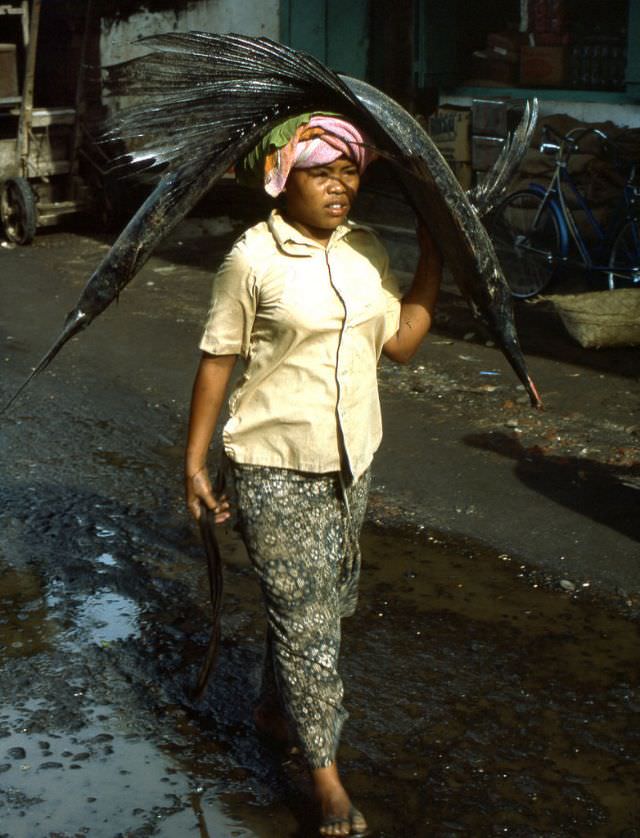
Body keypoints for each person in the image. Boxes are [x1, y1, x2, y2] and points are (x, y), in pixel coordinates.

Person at [184, 112, 442, 837]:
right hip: (271, 463)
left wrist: (433, 261)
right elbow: (217, 357)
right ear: (282, 179)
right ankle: (326, 778)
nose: (339, 186)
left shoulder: (365, 251)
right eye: (321, 172)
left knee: (324, 603)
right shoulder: (251, 258)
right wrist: (194, 463)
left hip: (351, 458)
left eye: (349, 172)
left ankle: (273, 707)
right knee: (308, 622)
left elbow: (402, 345)